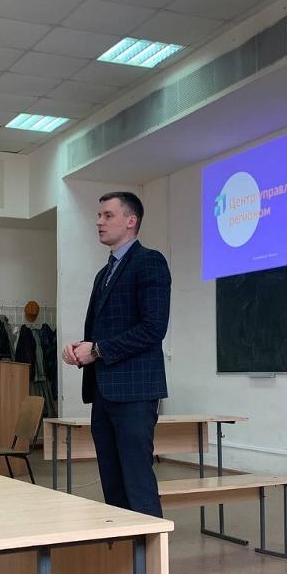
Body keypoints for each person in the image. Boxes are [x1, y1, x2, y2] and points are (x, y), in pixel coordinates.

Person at [62, 192, 171, 518]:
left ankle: (149, 547)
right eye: (99, 215)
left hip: (134, 392)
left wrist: (97, 350)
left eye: (107, 215)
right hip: (103, 391)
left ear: (131, 221)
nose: (99, 221)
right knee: (112, 480)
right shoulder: (104, 273)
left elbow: (153, 328)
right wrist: (81, 349)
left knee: (137, 479)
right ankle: (124, 544)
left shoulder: (149, 261)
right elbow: (106, 331)